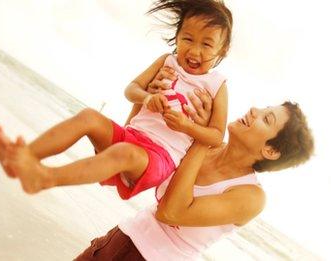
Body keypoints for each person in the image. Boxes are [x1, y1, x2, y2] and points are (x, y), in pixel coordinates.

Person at [0, 0, 234, 199]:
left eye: (207, 44)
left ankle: (45, 178)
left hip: (160, 157)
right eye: (188, 39)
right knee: (89, 117)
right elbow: (131, 90)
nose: (194, 51)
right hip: (131, 136)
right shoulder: (166, 61)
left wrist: (186, 126)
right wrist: (147, 98)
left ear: (221, 51)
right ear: (177, 36)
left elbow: (216, 136)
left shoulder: (216, 85)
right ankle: (23, 158)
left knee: (123, 153)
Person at [73, 71, 315, 260]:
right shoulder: (201, 144)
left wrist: (202, 135)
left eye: (266, 118)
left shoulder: (251, 196)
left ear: (270, 150)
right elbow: (129, 163)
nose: (255, 110)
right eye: (264, 108)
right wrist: (147, 96)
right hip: (117, 239)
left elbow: (170, 212)